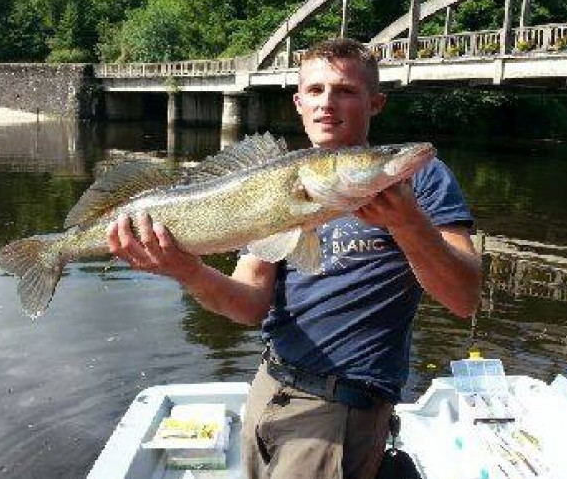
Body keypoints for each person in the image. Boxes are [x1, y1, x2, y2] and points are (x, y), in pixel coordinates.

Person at [106, 38, 481, 479]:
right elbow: (249, 303)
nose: (328, 103)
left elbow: (464, 299)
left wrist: (408, 225)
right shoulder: (274, 184)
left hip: (342, 410)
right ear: (298, 102)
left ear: (375, 103)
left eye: (345, 91)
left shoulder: (421, 182)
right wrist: (187, 271)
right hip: (268, 389)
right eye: (316, 91)